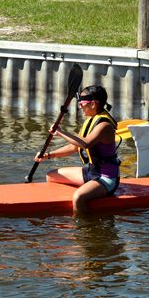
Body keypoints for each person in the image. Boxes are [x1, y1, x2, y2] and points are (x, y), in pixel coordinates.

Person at [35, 85, 121, 213]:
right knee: (51, 176)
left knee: (78, 197)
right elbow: (75, 146)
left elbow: (85, 144)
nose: (80, 106)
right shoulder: (90, 121)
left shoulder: (104, 126)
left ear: (93, 104)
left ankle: (84, 229)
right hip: (90, 172)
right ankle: (57, 211)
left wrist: (60, 132)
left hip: (106, 177)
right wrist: (47, 155)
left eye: (82, 102)